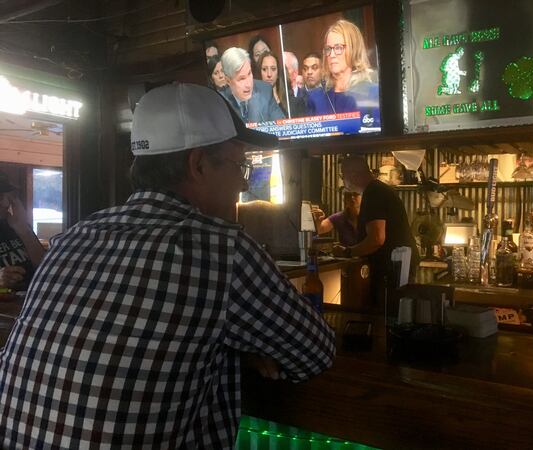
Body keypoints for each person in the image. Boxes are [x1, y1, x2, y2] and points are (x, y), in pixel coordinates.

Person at [0, 83, 335, 449]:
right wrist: (243, 345)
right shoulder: (221, 248)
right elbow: (315, 354)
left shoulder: (76, 237)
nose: (242, 185)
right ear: (199, 164)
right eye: (241, 167)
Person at [333, 156, 418, 305]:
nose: (342, 180)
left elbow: (376, 239)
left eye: (342, 175)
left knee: (384, 318)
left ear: (353, 174)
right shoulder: (378, 190)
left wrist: (347, 252)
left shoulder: (374, 193)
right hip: (396, 269)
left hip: (390, 273)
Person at [306, 20, 380, 129]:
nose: (331, 55)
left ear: (354, 49)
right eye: (328, 49)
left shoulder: (374, 93)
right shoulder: (315, 97)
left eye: (338, 48)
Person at [0, 175, 45, 289]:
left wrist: (24, 230)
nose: (6, 204)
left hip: (33, 301)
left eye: (8, 198)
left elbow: (46, 267)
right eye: (0, 197)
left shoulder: (14, 224)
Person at [220, 47, 285, 124]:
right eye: (242, 79)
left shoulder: (265, 91)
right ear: (228, 80)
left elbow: (281, 126)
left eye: (249, 73)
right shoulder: (221, 103)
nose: (248, 84)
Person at [283, 51, 307, 117]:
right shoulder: (276, 100)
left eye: (284, 69)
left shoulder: (308, 99)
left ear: (295, 73)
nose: (280, 72)